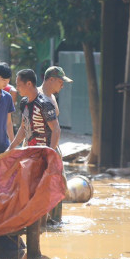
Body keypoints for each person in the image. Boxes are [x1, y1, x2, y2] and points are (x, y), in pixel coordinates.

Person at [38, 65, 73, 224]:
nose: (62, 85)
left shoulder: (51, 97)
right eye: (60, 81)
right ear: (51, 80)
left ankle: (54, 221)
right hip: (40, 147)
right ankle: (41, 221)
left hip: (53, 147)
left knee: (59, 185)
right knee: (40, 186)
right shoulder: (37, 96)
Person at [7, 69, 59, 150]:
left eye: (18, 85)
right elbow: (24, 127)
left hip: (44, 155)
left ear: (29, 84)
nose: (17, 88)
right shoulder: (23, 103)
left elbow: (56, 129)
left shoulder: (44, 103)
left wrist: (50, 153)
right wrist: (11, 148)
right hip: (30, 154)